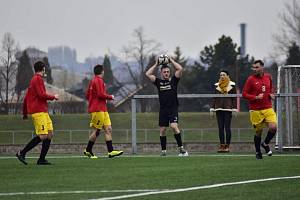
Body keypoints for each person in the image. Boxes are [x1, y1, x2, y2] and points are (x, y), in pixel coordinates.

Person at [16, 61, 59, 165]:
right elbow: (41, 95)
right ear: (43, 69)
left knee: (49, 134)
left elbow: (27, 97)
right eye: (44, 69)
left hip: (43, 111)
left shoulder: (34, 80)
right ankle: (22, 153)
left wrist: (25, 113)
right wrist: (54, 97)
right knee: (43, 135)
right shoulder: (37, 79)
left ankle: (41, 159)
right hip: (38, 111)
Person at [145, 55, 188, 156]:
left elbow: (180, 68)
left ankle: (181, 149)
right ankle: (163, 151)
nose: (166, 73)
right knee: (162, 130)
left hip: (173, 108)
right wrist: (156, 64)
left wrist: (171, 60)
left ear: (170, 72)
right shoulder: (158, 82)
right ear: (161, 73)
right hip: (163, 109)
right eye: (164, 72)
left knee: (173, 126)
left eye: (168, 72)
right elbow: (148, 74)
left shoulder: (174, 80)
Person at [83, 64, 123, 159]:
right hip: (98, 110)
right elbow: (101, 94)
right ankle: (88, 150)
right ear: (102, 71)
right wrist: (110, 97)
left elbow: (87, 95)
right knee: (97, 131)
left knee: (108, 129)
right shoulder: (99, 80)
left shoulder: (92, 81)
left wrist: (93, 101)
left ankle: (111, 151)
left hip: (103, 109)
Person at [242, 60, 276, 159]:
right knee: (258, 132)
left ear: (262, 67)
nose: (255, 69)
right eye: (254, 67)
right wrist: (255, 97)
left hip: (268, 107)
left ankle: (265, 144)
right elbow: (244, 94)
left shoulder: (268, 77)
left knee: (273, 127)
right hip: (255, 110)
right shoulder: (250, 79)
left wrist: (271, 93)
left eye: (257, 67)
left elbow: (271, 88)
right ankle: (258, 152)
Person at [210, 70, 237, 153]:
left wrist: (235, 108)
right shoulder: (217, 85)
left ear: (227, 76)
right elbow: (214, 97)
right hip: (218, 108)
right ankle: (222, 145)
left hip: (228, 109)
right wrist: (212, 108)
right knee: (220, 128)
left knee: (227, 128)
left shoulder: (232, 85)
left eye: (223, 75)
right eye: (220, 75)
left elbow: (234, 97)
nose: (222, 76)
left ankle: (227, 146)